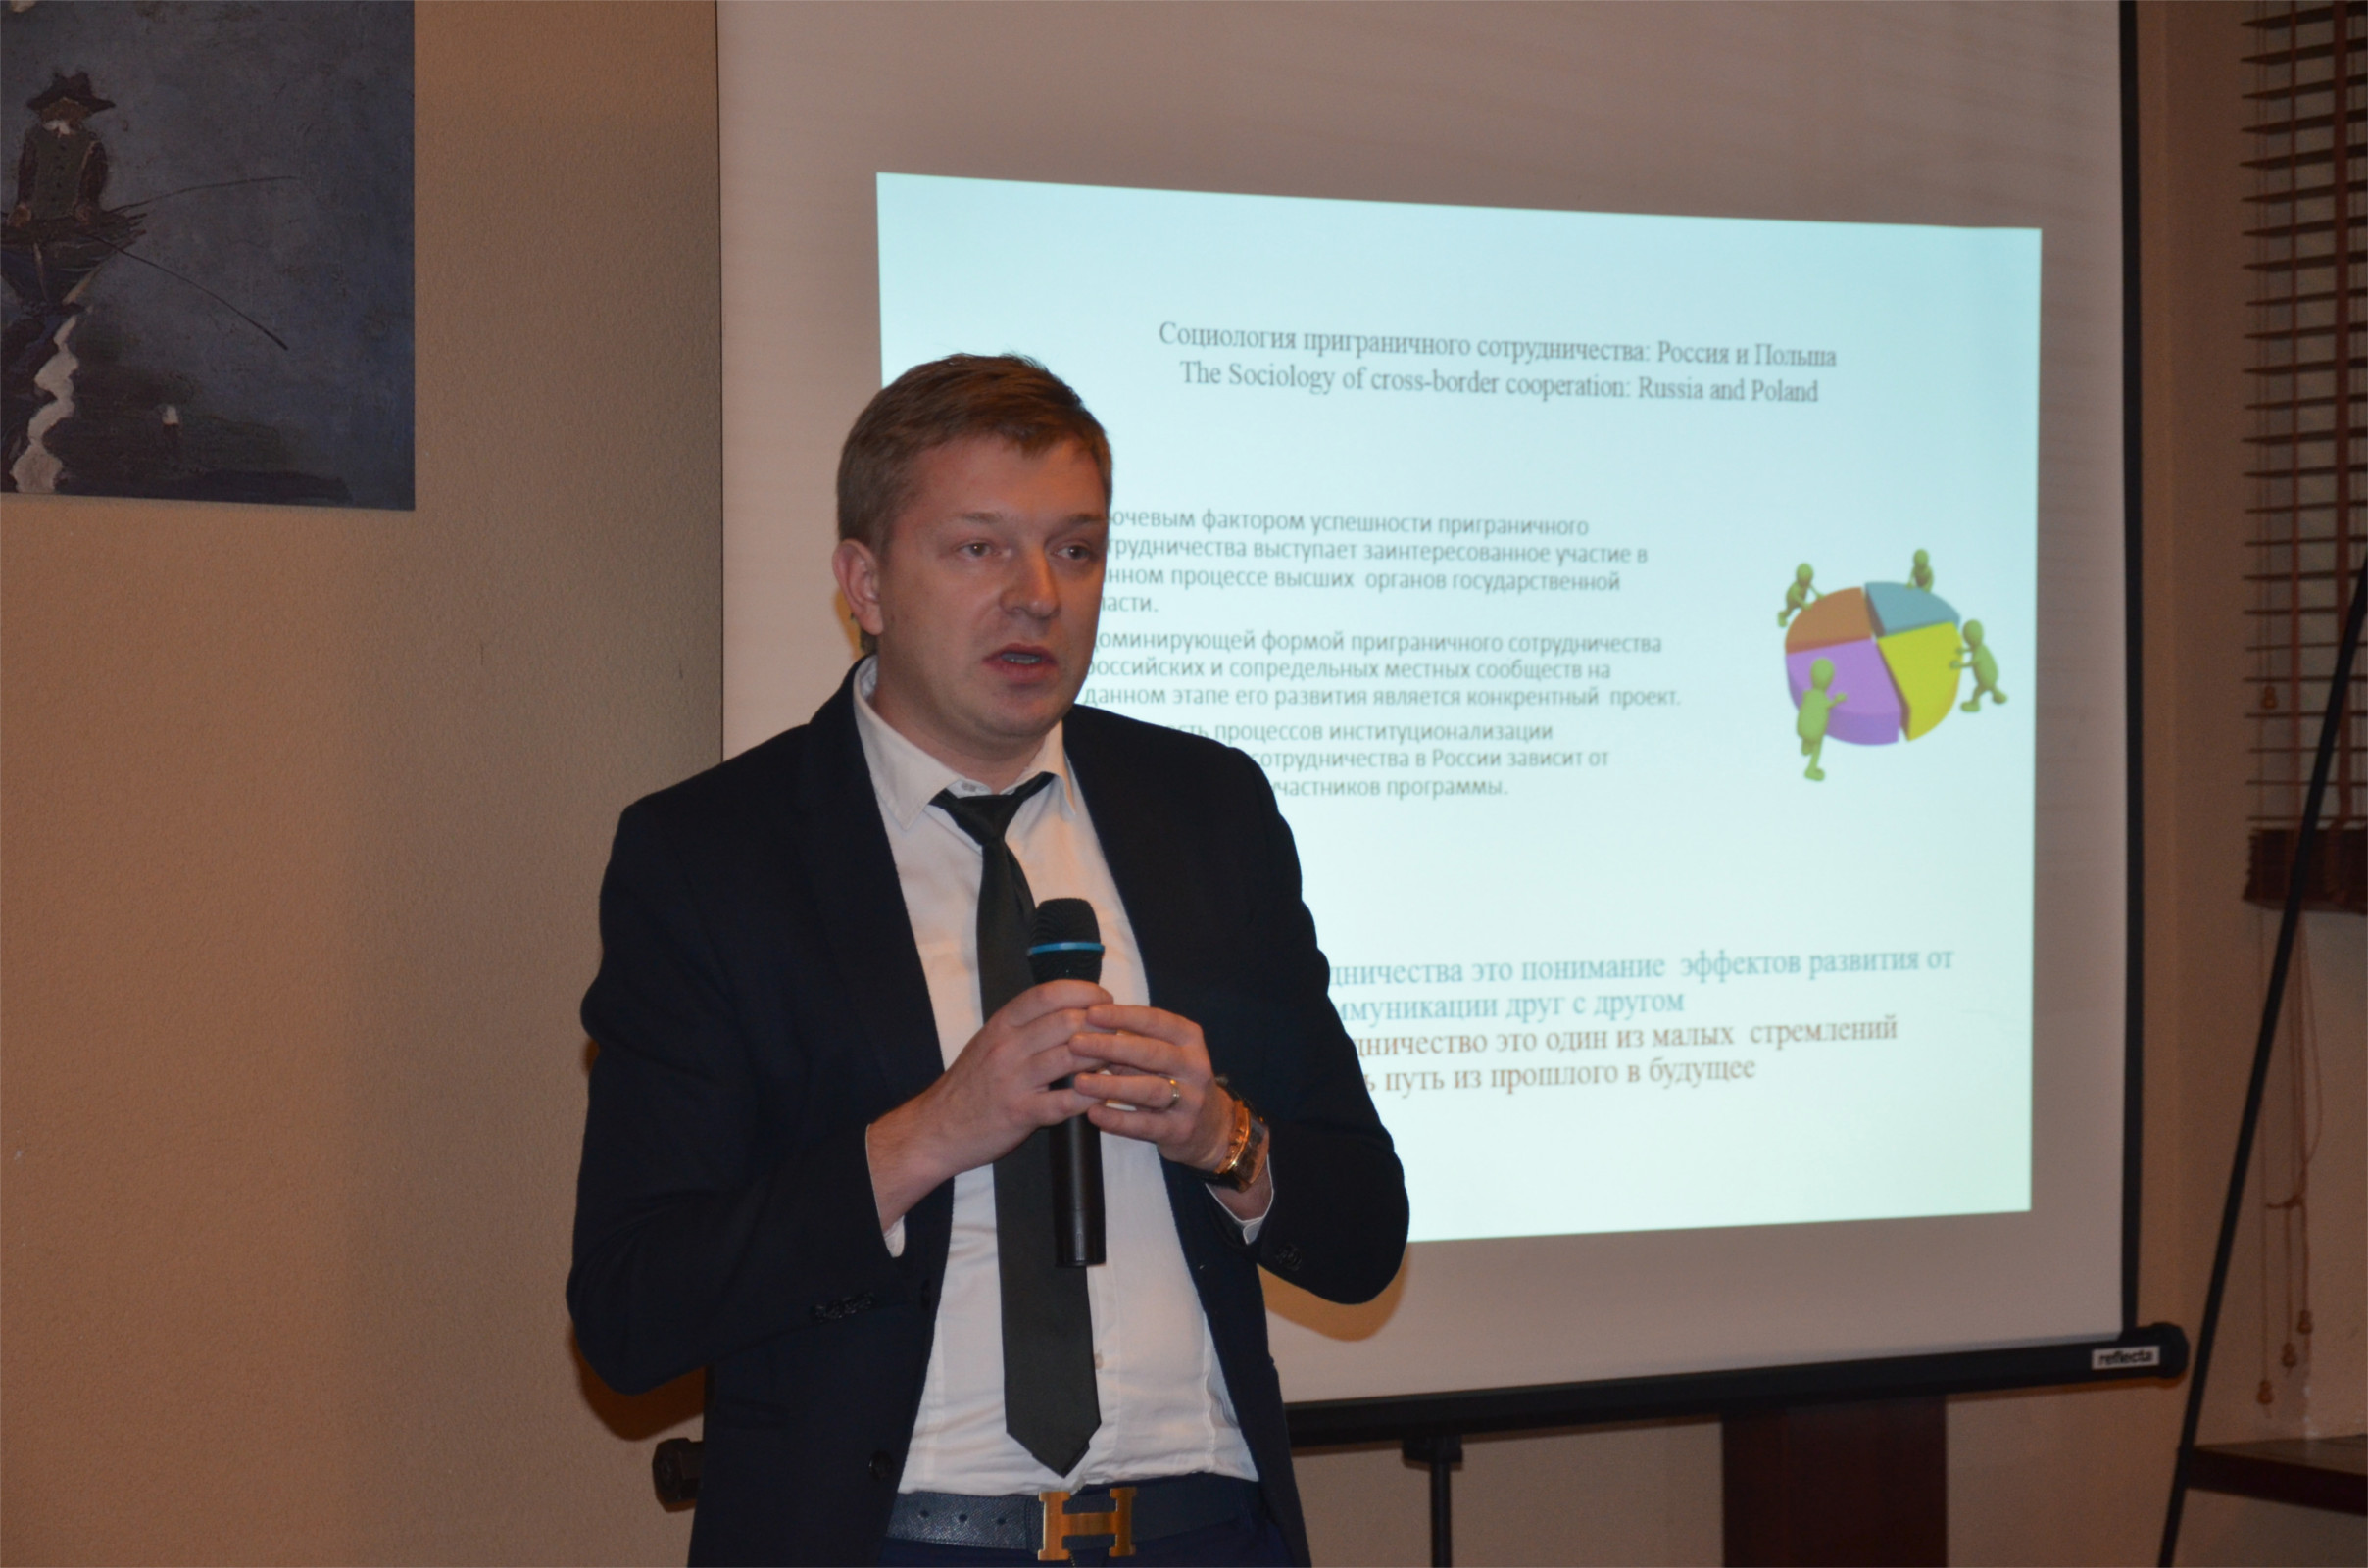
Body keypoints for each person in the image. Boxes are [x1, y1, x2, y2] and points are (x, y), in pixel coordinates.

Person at [568, 355, 1408, 1567]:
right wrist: (927, 1134)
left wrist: (1222, 1136)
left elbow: (1365, 1233)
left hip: (1203, 1528)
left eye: (1076, 550)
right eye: (978, 548)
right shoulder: (713, 856)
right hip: (898, 1539)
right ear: (863, 582)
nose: (1037, 596)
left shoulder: (1206, 810)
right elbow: (632, 1305)